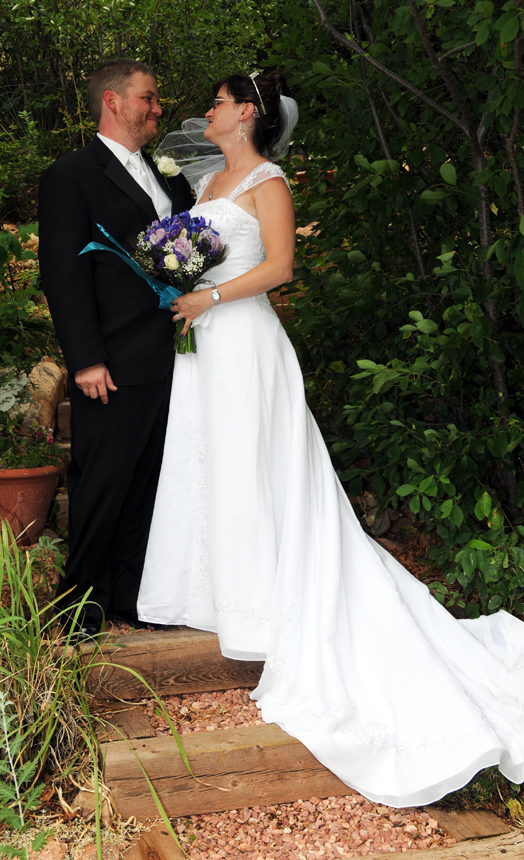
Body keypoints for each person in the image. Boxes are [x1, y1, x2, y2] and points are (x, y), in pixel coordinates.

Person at [137, 71, 524, 807]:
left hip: (247, 340)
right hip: (207, 344)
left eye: (218, 102)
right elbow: (194, 249)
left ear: (246, 111)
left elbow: (281, 268)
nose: (207, 111)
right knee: (214, 466)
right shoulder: (210, 178)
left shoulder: (268, 178)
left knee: (259, 471)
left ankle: (270, 612)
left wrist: (209, 293)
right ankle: (227, 599)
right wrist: (177, 279)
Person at [38, 59, 193, 636]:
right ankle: (78, 606)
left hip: (171, 352)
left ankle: (131, 597)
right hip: (111, 359)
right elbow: (61, 272)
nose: (158, 109)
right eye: (149, 99)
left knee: (150, 479)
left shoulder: (169, 176)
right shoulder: (71, 175)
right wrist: (85, 359)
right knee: (101, 482)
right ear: (113, 101)